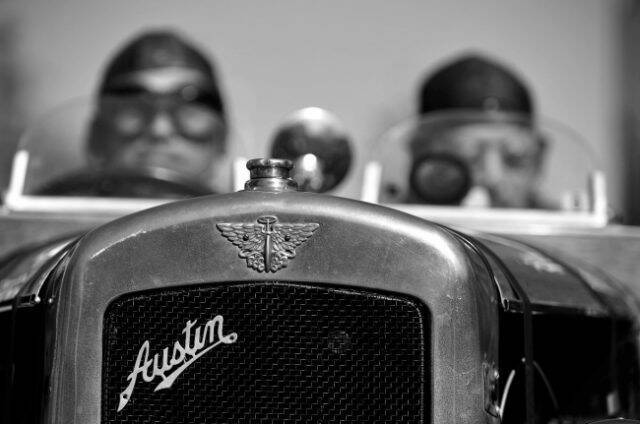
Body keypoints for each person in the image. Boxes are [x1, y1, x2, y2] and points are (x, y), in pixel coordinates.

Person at [40, 30, 228, 197]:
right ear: (96, 137)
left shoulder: (241, 224)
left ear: (221, 140)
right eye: (133, 111)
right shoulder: (43, 218)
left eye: (188, 113)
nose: (159, 130)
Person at [409, 53, 549, 208]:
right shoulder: (393, 221)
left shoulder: (563, 222)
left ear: (540, 161)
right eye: (468, 159)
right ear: (419, 155)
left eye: (516, 160)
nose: (493, 178)